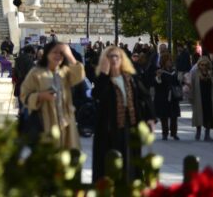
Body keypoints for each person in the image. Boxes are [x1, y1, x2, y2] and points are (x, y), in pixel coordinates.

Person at [92, 46, 155, 184]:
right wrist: (104, 73)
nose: (114, 59)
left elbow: (145, 96)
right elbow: (97, 94)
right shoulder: (103, 79)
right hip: (109, 127)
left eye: (117, 56)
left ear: (122, 59)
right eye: (110, 56)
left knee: (130, 159)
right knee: (110, 160)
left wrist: (150, 118)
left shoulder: (130, 78)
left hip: (129, 124)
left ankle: (130, 186)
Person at [19, 41, 85, 149]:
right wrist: (41, 96)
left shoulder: (65, 72)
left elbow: (80, 75)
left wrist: (69, 54)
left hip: (66, 125)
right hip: (45, 123)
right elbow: (24, 95)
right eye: (55, 52)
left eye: (61, 53)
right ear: (47, 54)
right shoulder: (36, 73)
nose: (58, 55)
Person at [190, 56, 213, 141]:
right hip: (199, 98)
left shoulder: (212, 74)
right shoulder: (195, 74)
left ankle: (207, 134)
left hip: (209, 98)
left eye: (206, 65)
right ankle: (198, 133)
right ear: (199, 65)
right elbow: (192, 86)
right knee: (199, 115)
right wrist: (191, 97)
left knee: (209, 116)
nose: (204, 66)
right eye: (202, 65)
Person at [154, 53, 181, 140]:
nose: (170, 62)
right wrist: (158, 77)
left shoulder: (174, 71)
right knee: (164, 116)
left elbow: (177, 83)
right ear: (164, 62)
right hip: (163, 96)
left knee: (174, 116)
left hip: (173, 96)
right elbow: (157, 84)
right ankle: (165, 133)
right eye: (168, 60)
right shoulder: (160, 71)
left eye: (171, 60)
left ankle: (174, 133)